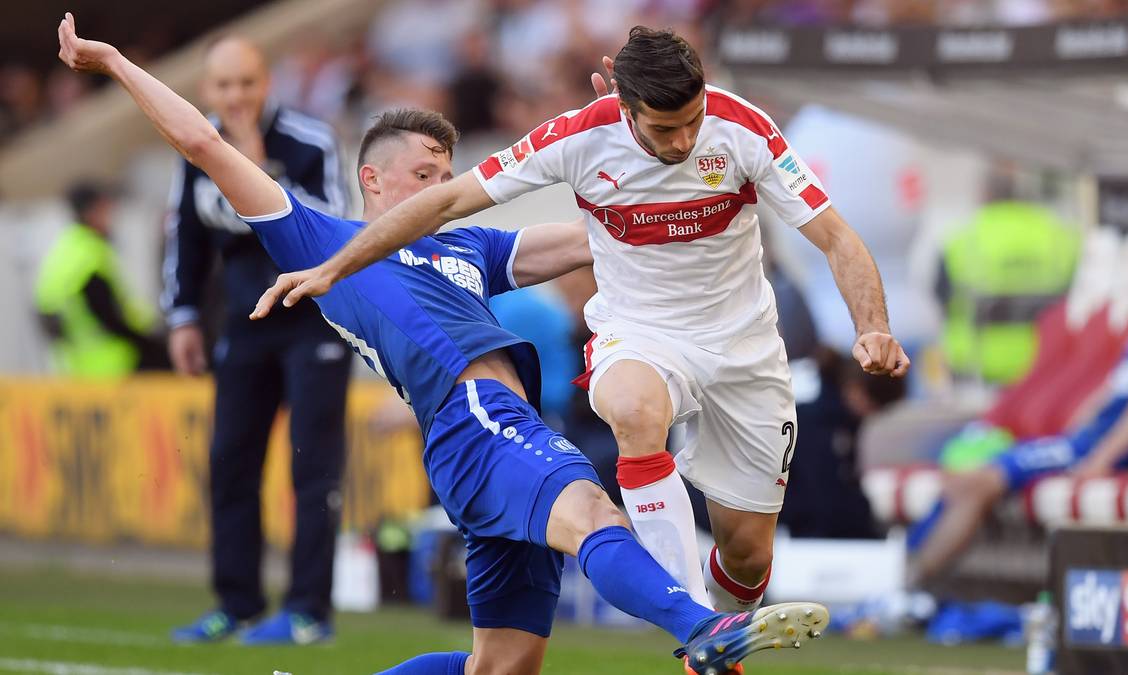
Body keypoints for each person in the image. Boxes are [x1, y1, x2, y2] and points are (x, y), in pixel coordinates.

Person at [57, 14, 829, 675]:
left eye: (447, 173)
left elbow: (600, 235)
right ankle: (703, 628)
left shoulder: (466, 249)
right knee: (595, 513)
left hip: (478, 441)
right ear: (374, 181)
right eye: (426, 174)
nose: (443, 187)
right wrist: (118, 63)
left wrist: (625, 154)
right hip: (477, 418)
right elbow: (202, 141)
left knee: (500, 665)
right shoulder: (322, 239)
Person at [259, 26, 910, 614]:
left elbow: (836, 236)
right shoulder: (578, 137)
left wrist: (872, 325)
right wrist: (339, 265)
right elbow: (448, 200)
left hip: (743, 346)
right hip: (640, 330)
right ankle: (694, 624)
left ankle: (719, 615)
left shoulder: (742, 130)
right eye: (663, 129)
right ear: (626, 110)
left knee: (747, 557)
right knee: (632, 407)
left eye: (691, 122)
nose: (683, 141)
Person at [159, 35, 353, 644]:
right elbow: (184, 235)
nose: (236, 96)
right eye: (223, 86)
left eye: (246, 83)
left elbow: (336, 228)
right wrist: (184, 316)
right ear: (205, 91)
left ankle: (307, 612)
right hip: (243, 324)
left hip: (312, 322)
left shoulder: (309, 139)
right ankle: (236, 603)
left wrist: (253, 159)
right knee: (230, 464)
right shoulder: (193, 146)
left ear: (266, 82)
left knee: (312, 469)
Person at [908, 228, 1128, 587]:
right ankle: (911, 578)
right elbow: (1119, 386)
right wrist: (1084, 419)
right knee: (962, 481)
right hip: (1082, 440)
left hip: (1097, 449)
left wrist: (1102, 458)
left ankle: (911, 584)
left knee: (978, 483)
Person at [35, 181, 165, 377]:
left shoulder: (63, 251)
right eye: (106, 209)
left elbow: (45, 317)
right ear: (93, 211)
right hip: (114, 364)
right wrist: (154, 346)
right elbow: (110, 318)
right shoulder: (90, 256)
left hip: (73, 367)